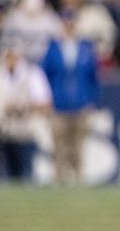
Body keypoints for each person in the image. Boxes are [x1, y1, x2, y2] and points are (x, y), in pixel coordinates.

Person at [40, 11, 100, 186]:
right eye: (67, 23)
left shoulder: (85, 48)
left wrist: (91, 100)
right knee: (59, 146)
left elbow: (93, 77)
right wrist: (48, 99)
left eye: (72, 23)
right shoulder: (53, 48)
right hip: (59, 104)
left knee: (78, 146)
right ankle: (60, 181)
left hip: (80, 103)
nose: (69, 26)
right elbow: (45, 76)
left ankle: (79, 180)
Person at [0, 46, 52, 182]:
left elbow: (44, 102)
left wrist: (23, 107)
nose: (10, 60)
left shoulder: (31, 73)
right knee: (8, 174)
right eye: (8, 56)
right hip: (4, 130)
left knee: (26, 172)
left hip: (26, 130)